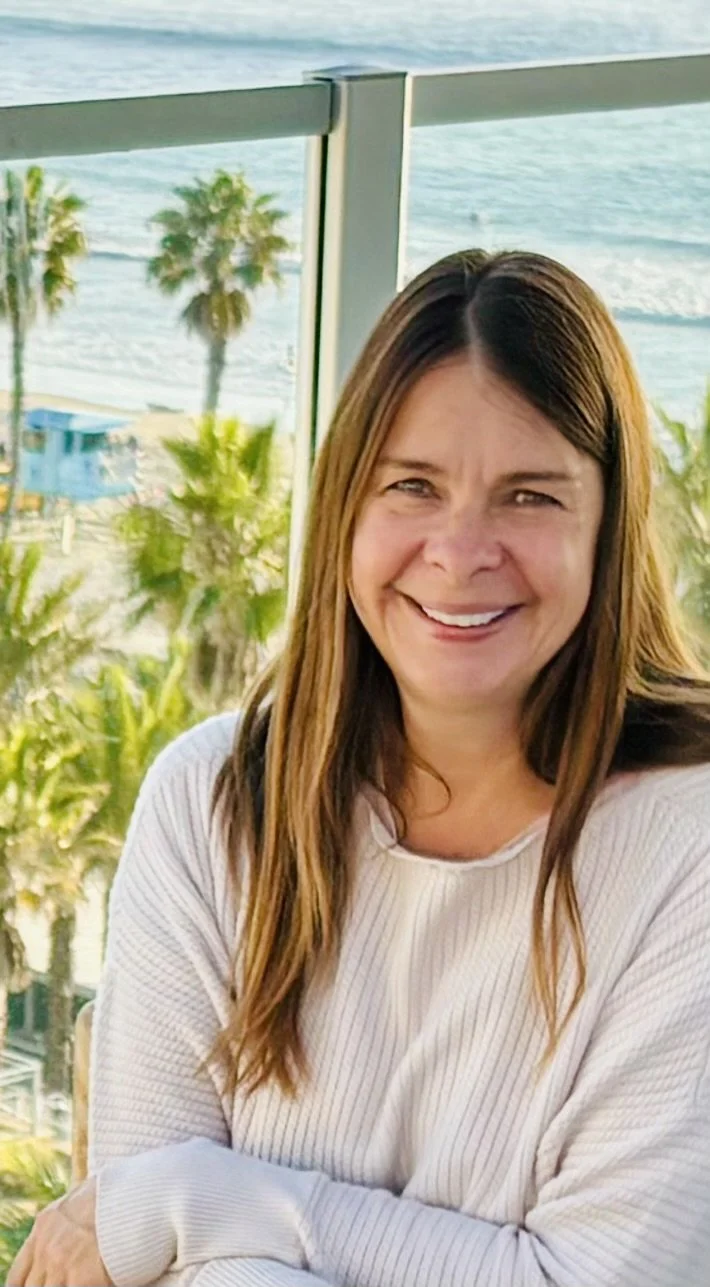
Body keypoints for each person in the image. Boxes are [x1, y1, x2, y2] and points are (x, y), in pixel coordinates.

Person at [9, 247, 710, 1287]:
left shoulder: (683, 838)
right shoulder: (213, 801)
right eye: (412, 486)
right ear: (343, 506)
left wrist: (207, 1199)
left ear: (608, 528)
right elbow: (149, 1269)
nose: (460, 551)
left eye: (529, 497)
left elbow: (598, 1278)